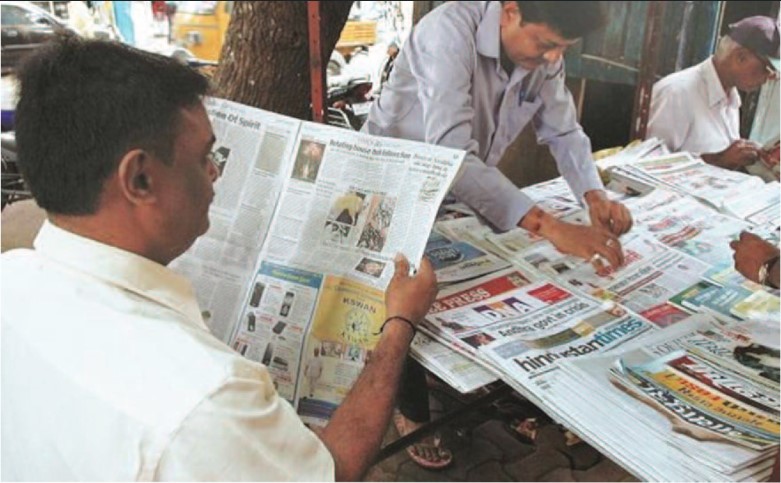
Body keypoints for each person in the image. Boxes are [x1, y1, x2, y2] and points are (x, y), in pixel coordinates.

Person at [1, 37, 438, 481]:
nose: (214, 172)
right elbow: (334, 470)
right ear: (140, 179)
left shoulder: (10, 279)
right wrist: (399, 323)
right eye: (202, 157)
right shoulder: (209, 402)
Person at [364, 1, 633, 468]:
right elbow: (452, 153)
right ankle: (410, 408)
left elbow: (564, 131)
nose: (553, 57)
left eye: (562, 48)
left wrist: (594, 196)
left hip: (458, 191)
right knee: (400, 287)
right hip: (392, 183)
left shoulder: (543, 56)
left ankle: (468, 384)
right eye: (546, 44)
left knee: (461, 286)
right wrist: (548, 226)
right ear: (510, 11)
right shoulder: (448, 32)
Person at [647, 16, 780, 171]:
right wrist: (720, 160)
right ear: (740, 57)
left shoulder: (731, 97)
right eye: (767, 69)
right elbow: (645, 166)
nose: (770, 78)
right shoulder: (676, 93)